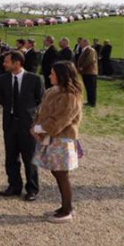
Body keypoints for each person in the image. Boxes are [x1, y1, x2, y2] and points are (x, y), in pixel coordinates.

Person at [32, 61, 85, 223]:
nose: (49, 76)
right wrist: (36, 126)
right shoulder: (52, 91)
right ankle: (65, 207)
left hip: (61, 139)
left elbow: (61, 119)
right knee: (57, 172)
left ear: (62, 76)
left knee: (61, 173)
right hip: (52, 137)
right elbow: (41, 112)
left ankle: (67, 209)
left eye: (53, 74)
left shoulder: (69, 97)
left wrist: (39, 128)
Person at [0, 51, 44, 201]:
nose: (4, 64)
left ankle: (32, 189)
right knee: (11, 156)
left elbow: (40, 101)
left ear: (17, 63)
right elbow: (3, 99)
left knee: (29, 157)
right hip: (10, 123)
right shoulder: (3, 79)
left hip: (28, 124)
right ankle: (14, 186)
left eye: (7, 61)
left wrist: (36, 123)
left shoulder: (34, 79)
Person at [77, 38, 98, 107]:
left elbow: (90, 59)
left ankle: (92, 102)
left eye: (82, 42)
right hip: (86, 72)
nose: (80, 44)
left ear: (86, 43)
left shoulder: (90, 50)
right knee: (88, 87)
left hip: (90, 72)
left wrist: (82, 67)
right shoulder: (84, 50)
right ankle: (89, 101)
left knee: (91, 87)